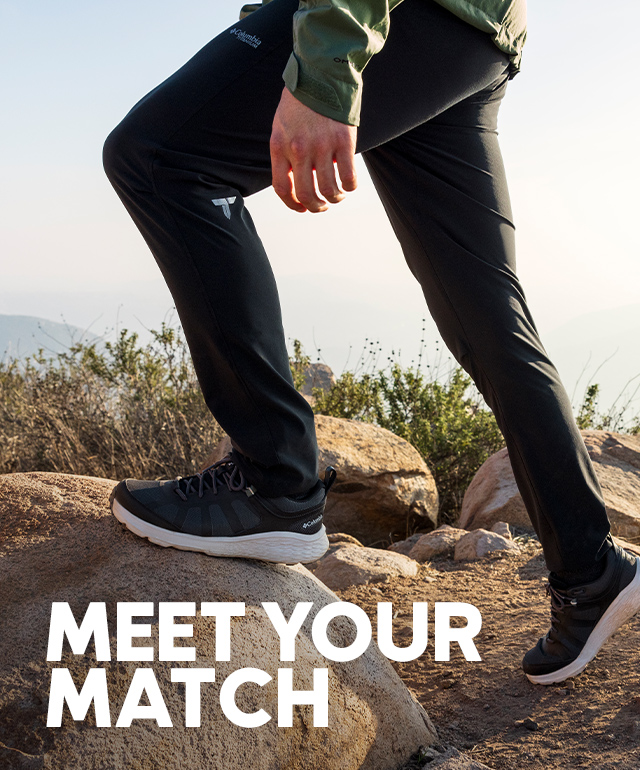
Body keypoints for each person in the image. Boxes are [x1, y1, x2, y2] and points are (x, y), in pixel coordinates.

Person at [103, 0, 640, 686]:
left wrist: (326, 66)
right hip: (474, 32)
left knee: (159, 155)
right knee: (485, 311)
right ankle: (591, 571)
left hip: (395, 14)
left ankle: (276, 481)